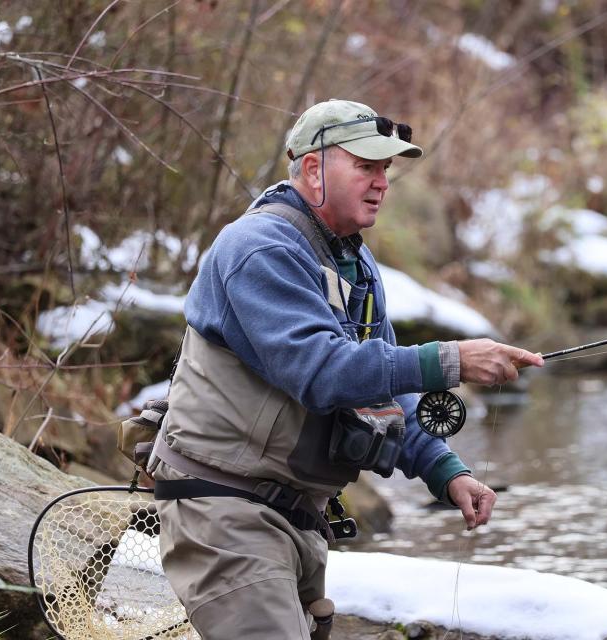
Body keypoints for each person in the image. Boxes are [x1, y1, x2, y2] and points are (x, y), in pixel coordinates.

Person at [150, 99, 544, 639]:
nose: (382, 181)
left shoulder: (351, 260)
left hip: (293, 515)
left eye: (386, 169)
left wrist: (444, 470)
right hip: (223, 509)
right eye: (365, 166)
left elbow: (381, 382)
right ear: (313, 170)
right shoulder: (257, 247)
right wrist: (451, 361)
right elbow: (323, 370)